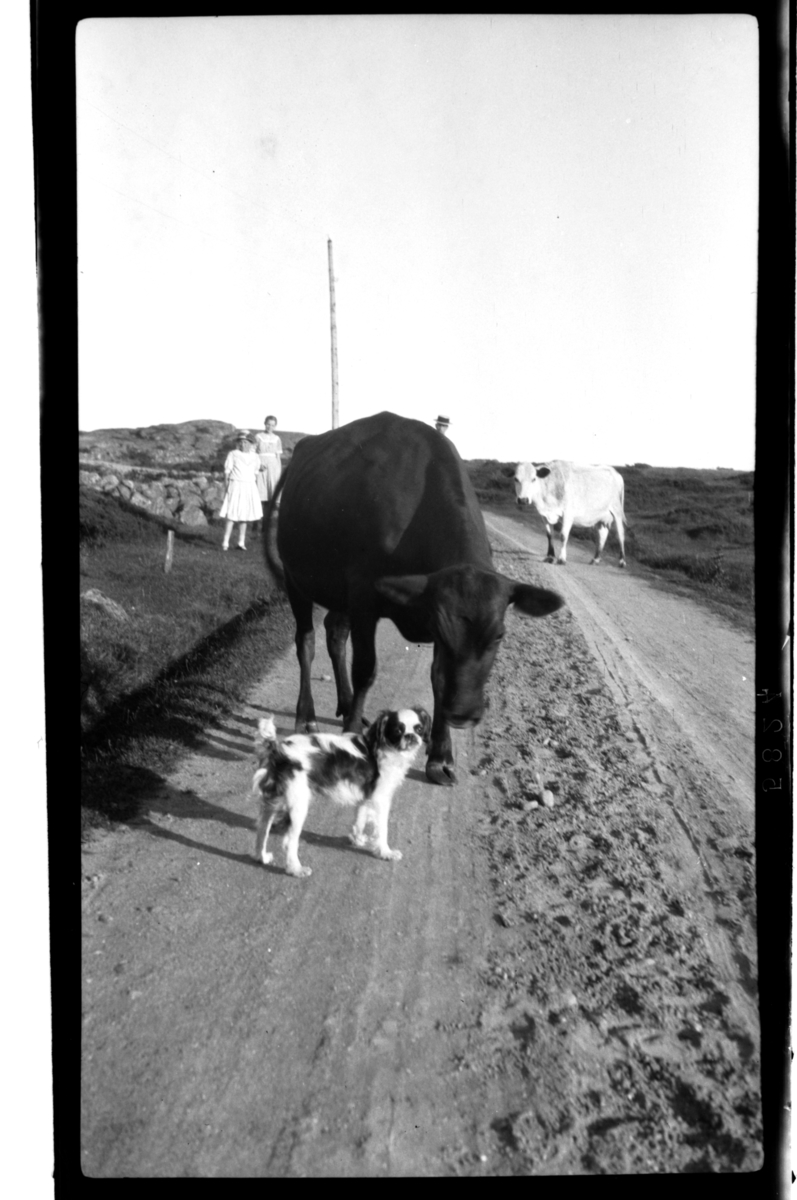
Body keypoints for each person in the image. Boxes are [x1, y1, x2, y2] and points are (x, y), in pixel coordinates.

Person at [219, 431, 262, 550]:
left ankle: (241, 542)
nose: (243, 445)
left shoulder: (255, 457)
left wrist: (255, 488)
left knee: (245, 516)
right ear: (238, 444)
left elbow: (256, 473)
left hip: (249, 486)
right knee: (232, 514)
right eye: (241, 442)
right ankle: (225, 542)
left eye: (246, 442)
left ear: (251, 444)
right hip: (236, 485)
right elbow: (227, 471)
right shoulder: (233, 454)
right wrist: (227, 484)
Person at [254, 415, 283, 515]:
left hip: (273, 467)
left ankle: (267, 519)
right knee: (260, 491)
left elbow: (278, 456)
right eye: (268, 424)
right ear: (264, 424)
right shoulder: (258, 437)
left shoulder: (277, 438)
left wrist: (278, 471)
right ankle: (257, 520)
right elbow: (253, 453)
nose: (270, 427)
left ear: (275, 426)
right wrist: (258, 465)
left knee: (271, 492)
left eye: (272, 425)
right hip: (261, 465)